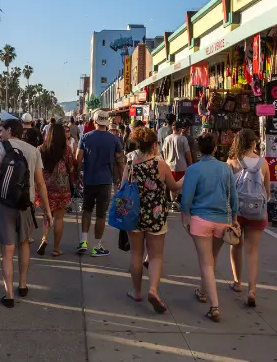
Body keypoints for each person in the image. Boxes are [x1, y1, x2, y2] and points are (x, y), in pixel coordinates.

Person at [0, 118, 51, 308]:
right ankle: (22, 284)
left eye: (2, 130)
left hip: (4, 203)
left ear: (10, 130)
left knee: (7, 249)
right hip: (26, 204)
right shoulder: (33, 151)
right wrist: (47, 210)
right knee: (24, 244)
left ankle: (8, 294)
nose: (0, 133)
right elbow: (40, 183)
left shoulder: (0, 148)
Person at [180, 132, 239, 322]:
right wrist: (235, 217)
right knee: (212, 257)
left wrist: (185, 216)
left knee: (206, 261)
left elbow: (186, 198)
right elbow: (234, 196)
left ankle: (214, 305)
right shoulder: (226, 168)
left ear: (199, 149)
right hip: (223, 219)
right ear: (215, 148)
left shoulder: (194, 170)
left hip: (200, 219)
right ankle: (203, 291)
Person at [124, 128, 183, 314]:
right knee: (156, 255)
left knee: (136, 254)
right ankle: (153, 290)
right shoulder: (161, 164)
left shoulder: (130, 164)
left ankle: (136, 291)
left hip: (134, 215)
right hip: (156, 215)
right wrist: (185, 179)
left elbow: (122, 188)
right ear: (154, 144)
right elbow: (173, 187)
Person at [226, 129, 270, 307]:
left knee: (236, 245)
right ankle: (252, 290)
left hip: (237, 212)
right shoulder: (263, 163)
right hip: (257, 212)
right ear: (254, 143)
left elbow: (227, 189)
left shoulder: (231, 162)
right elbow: (267, 192)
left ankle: (237, 282)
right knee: (252, 251)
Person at [75, 110, 125, 257]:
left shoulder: (85, 137)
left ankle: (83, 241)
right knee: (101, 215)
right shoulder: (114, 139)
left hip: (89, 180)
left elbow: (79, 158)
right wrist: (122, 179)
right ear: (106, 122)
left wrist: (77, 173)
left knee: (87, 210)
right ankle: (97, 246)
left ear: (95, 121)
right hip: (105, 182)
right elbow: (120, 161)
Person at [36, 124, 77, 257]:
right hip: (62, 186)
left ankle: (44, 238)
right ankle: (56, 248)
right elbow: (72, 167)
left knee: (47, 215)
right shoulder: (66, 150)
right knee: (59, 218)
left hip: (45, 186)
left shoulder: (41, 149)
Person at [162, 120, 193, 200]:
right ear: (180, 129)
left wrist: (165, 163)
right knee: (181, 187)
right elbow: (188, 153)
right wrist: (190, 164)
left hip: (169, 167)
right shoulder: (183, 139)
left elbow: (164, 153)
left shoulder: (167, 139)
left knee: (172, 187)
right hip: (181, 167)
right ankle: (178, 202)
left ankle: (173, 203)